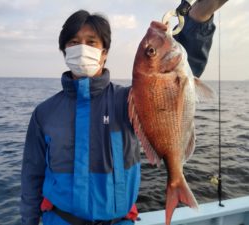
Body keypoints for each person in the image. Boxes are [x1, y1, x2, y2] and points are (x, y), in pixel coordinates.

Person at [21, 1, 228, 224]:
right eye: (74, 42)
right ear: (64, 50)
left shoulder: (126, 101)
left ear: (104, 53)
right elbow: (32, 176)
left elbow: (182, 72)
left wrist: (198, 17)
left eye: (91, 42)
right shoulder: (44, 113)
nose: (82, 49)